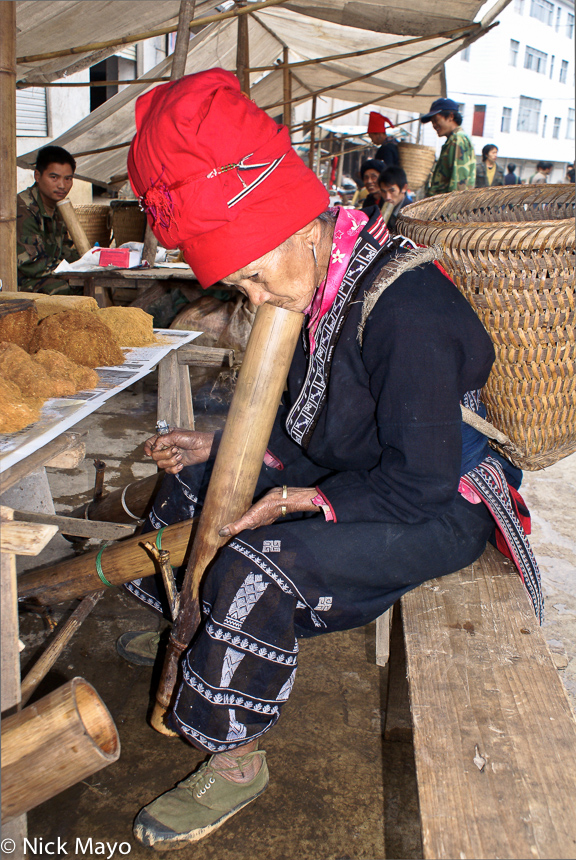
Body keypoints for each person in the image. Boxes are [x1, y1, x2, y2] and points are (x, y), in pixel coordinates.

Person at [122, 68, 541, 851]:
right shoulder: (327, 277)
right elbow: (321, 420)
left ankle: (235, 755)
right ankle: (196, 631)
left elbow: (414, 480)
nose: (251, 296)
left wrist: (301, 501)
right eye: (239, 282)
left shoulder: (405, 307)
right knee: (187, 485)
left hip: (438, 504)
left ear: (299, 225)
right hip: (367, 474)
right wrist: (227, 448)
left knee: (260, 564)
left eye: (251, 272)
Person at [16, 145, 81, 294]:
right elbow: (32, 265)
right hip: (18, 281)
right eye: (54, 177)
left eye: (68, 179)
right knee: (64, 291)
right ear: (37, 176)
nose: (62, 185)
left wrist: (90, 262)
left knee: (94, 285)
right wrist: (75, 272)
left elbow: (64, 250)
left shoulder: (57, 208)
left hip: (45, 275)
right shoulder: (23, 209)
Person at [420, 98, 476, 196]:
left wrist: (452, 210)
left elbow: (458, 183)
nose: (434, 125)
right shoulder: (453, 139)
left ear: (450, 116)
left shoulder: (458, 139)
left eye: (436, 120)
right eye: (432, 122)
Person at [377, 165, 413, 231]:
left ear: (404, 188)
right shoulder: (380, 207)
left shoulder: (412, 212)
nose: (387, 197)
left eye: (392, 191)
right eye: (383, 191)